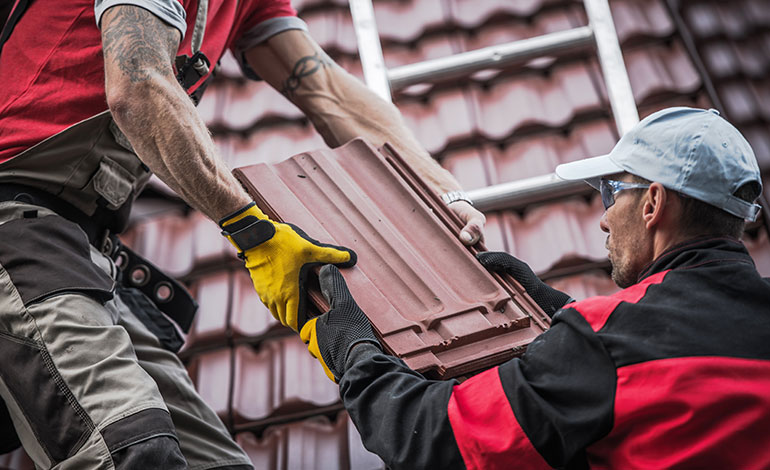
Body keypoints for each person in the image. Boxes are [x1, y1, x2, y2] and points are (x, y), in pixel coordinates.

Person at [0, 0, 485, 468]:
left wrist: (441, 196)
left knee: (210, 463)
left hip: (79, 250)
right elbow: (139, 86)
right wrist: (256, 234)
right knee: (132, 450)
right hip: (15, 227)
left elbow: (329, 93)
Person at [298, 107, 770, 469]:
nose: (605, 218)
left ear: (652, 203)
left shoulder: (602, 347)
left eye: (613, 192)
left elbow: (431, 441)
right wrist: (560, 312)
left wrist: (355, 350)